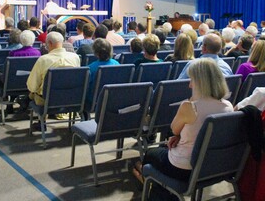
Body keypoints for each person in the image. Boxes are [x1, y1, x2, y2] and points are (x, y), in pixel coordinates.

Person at [133, 58, 233, 200]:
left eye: (192, 80)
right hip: (211, 166)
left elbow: (174, 129)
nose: (190, 85)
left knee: (150, 153)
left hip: (183, 167)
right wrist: (180, 137)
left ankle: (148, 182)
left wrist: (192, 100)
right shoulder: (228, 106)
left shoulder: (189, 107)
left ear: (201, 83)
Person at [27, 31, 80, 117]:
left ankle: (42, 121)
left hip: (47, 100)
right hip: (70, 98)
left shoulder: (43, 60)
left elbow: (32, 86)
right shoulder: (75, 57)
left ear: (50, 43)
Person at [87, 38, 119, 104]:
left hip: (93, 102)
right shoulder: (117, 64)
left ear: (95, 52)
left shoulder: (90, 68)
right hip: (113, 100)